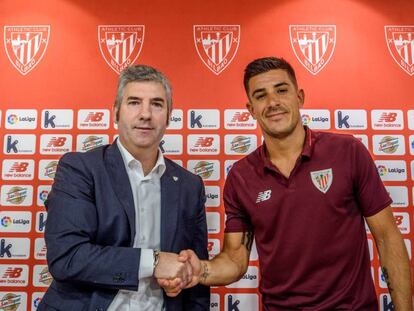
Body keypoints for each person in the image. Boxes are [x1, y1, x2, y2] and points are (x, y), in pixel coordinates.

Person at [160, 57, 413, 310]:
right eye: (261, 95)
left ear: (299, 97)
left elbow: (387, 238)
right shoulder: (241, 176)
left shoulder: (348, 152)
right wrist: (201, 270)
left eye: (281, 90)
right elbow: (235, 259)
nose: (273, 102)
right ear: (251, 109)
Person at [38, 65, 209, 311]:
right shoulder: (80, 169)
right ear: (116, 112)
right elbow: (68, 257)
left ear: (169, 116)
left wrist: (183, 276)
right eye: (134, 102)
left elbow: (196, 275)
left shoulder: (189, 186)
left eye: (157, 104)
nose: (146, 114)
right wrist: (154, 261)